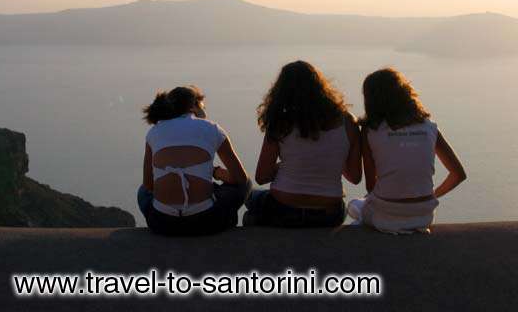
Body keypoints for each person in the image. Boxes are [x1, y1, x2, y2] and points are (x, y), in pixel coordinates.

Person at [348, 68, 467, 234]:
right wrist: (431, 196)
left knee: (354, 206)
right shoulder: (429, 126)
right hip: (424, 216)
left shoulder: (370, 130)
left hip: (385, 215)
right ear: (405, 93)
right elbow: (458, 175)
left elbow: (371, 186)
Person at [243, 61, 362, 228]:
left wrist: (284, 166)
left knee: (250, 198)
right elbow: (355, 177)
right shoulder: (348, 122)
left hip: (283, 209)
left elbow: (262, 177)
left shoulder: (280, 123)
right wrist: (329, 159)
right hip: (329, 214)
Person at [137, 85, 250, 236]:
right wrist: (215, 172)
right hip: (204, 222)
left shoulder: (154, 132)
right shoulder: (212, 129)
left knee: (142, 192)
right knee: (246, 183)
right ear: (194, 105)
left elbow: (149, 185)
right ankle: (224, 219)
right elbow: (239, 178)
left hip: (162, 223)